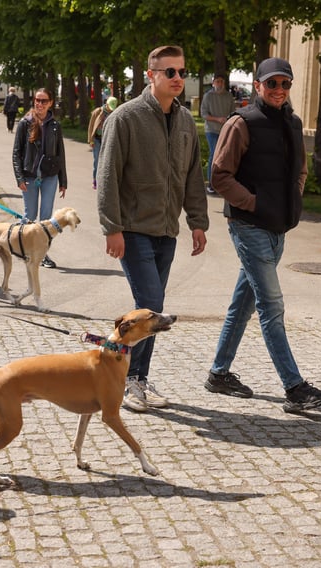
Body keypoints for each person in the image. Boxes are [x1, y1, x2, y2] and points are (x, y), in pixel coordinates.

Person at [205, 57, 321, 413]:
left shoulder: (293, 123)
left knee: (243, 303)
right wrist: (252, 203)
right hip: (249, 227)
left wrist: (293, 196)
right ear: (258, 86)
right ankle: (294, 389)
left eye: (285, 84)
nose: (279, 90)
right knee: (271, 306)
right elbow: (219, 176)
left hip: (279, 226)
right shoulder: (241, 123)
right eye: (272, 83)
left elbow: (301, 169)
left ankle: (218, 373)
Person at [96, 45, 209, 412]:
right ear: (151, 75)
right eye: (170, 72)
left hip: (166, 230)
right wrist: (111, 227)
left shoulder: (186, 122)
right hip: (131, 228)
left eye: (182, 72)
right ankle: (130, 382)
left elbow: (193, 176)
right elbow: (108, 174)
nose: (178, 79)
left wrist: (197, 222)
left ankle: (135, 379)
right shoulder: (126, 118)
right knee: (153, 305)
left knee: (150, 309)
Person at [11, 87, 67, 269]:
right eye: (37, 100)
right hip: (29, 176)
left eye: (44, 101)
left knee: (45, 219)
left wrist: (63, 181)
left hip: (50, 176)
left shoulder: (55, 125)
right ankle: (21, 248)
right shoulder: (24, 123)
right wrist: (19, 177)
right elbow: (16, 152)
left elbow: (61, 154)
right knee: (29, 216)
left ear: (51, 103)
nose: (40, 104)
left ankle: (43, 255)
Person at [200, 72, 235, 194]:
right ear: (213, 83)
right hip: (211, 130)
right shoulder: (208, 96)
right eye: (217, 81)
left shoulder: (229, 96)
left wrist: (229, 119)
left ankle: (222, 182)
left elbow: (233, 112)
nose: (219, 84)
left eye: (221, 81)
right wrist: (217, 119)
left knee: (225, 157)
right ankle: (211, 183)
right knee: (214, 154)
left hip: (225, 130)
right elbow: (203, 114)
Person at [87, 96, 118, 190]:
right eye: (109, 107)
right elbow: (91, 125)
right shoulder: (98, 112)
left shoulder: (115, 113)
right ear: (106, 104)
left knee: (107, 161)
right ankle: (95, 180)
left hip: (107, 139)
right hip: (97, 139)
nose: (110, 109)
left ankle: (104, 181)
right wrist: (90, 140)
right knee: (97, 161)